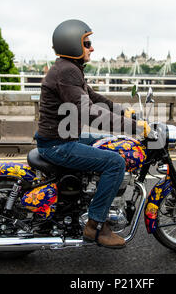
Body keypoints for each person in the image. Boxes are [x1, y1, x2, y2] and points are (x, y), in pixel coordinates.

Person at [35, 19, 150, 249]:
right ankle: (95, 225)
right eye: (87, 43)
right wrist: (134, 128)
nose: (92, 48)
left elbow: (95, 98)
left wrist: (125, 112)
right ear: (72, 45)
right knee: (115, 163)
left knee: (113, 142)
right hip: (58, 144)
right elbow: (89, 112)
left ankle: (93, 198)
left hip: (65, 137)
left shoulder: (69, 68)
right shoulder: (66, 71)